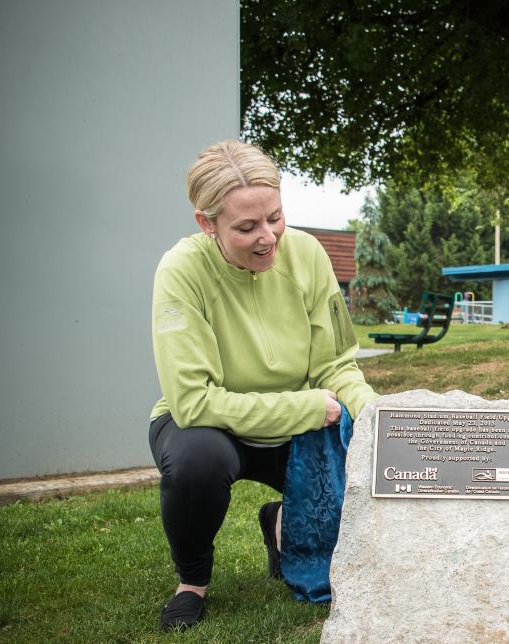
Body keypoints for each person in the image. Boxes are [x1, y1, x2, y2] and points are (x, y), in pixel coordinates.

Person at [148, 140, 378, 630]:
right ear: (206, 223)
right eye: (246, 227)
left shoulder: (308, 254)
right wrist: (308, 409)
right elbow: (193, 402)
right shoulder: (180, 271)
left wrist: (375, 417)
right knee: (199, 461)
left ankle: (280, 521)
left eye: (275, 217)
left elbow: (337, 364)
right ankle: (192, 582)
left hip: (300, 424)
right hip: (208, 428)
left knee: (361, 482)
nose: (268, 237)